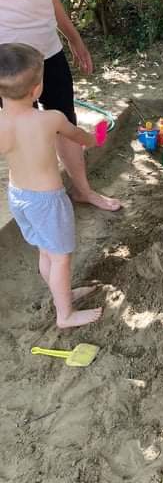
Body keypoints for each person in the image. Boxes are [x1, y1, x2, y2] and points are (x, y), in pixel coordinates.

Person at [0, 0, 120, 211]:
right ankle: (36, 205)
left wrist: (73, 38)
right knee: (21, 134)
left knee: (64, 117)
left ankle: (83, 190)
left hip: (47, 49)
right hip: (10, 63)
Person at [0, 43, 103, 327]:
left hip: (18, 197)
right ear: (36, 90)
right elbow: (80, 138)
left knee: (46, 251)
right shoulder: (50, 119)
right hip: (47, 201)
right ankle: (65, 314)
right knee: (60, 258)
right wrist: (96, 138)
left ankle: (62, 295)